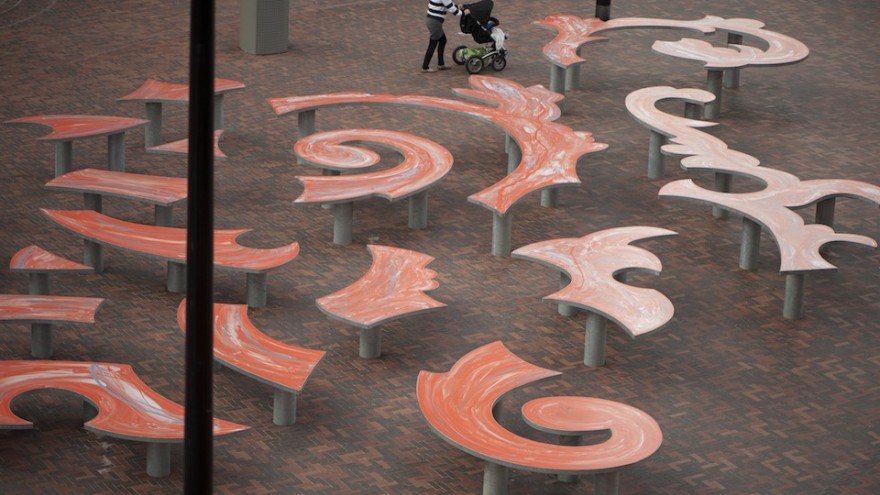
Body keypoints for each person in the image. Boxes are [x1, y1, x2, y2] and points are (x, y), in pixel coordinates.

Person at [422, 0, 467, 73]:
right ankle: (425, 67)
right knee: (433, 43)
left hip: (432, 21)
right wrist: (464, 13)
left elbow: (449, 4)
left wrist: (457, 6)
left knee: (443, 41)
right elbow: (453, 11)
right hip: (435, 23)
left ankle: (441, 64)